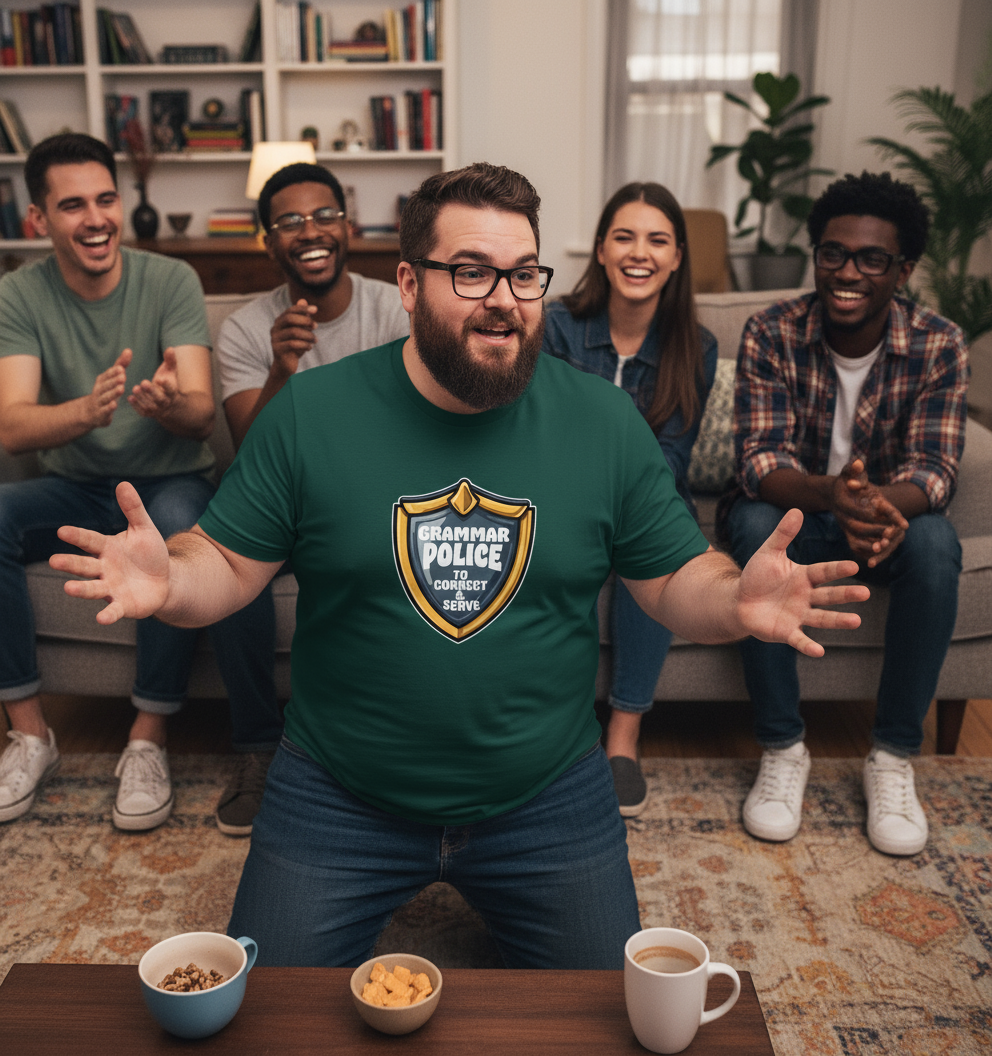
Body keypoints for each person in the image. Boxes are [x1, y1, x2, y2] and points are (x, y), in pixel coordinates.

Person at [51, 163, 867, 969]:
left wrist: (733, 599)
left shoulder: (603, 420)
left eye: (523, 274)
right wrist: (170, 579)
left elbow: (671, 577)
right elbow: (224, 561)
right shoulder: (312, 412)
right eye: (471, 272)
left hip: (547, 793)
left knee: (605, 1023)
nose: (503, 298)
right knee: (264, 1015)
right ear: (408, 284)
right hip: (337, 792)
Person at [0, 132, 271, 831]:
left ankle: (146, 740)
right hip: (76, 487)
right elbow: (11, 425)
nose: (95, 219)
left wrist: (166, 405)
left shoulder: (170, 279)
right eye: (72, 205)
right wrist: (85, 413)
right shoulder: (19, 294)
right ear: (39, 222)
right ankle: (32, 733)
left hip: (169, 481)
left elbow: (202, 412)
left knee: (179, 535)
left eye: (105, 199)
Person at [721, 171, 969, 857]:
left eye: (871, 258)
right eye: (833, 253)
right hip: (803, 514)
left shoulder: (938, 343)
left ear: (903, 269)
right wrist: (835, 495)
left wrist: (876, 506)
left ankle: (891, 756)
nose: (847, 271)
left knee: (936, 545)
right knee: (747, 526)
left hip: (888, 523)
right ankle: (783, 748)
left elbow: (935, 468)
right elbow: (759, 461)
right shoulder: (771, 329)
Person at [210, 162, 409, 836]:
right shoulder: (244, 329)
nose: (310, 231)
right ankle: (259, 749)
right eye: (289, 222)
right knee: (229, 567)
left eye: (323, 215)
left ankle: (386, 744)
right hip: (284, 508)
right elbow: (249, 456)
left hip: (374, 503)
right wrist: (281, 370)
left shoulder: (394, 309)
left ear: (348, 226)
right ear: (269, 242)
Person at [543, 182, 717, 816]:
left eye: (657, 240)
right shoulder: (556, 326)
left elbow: (673, 458)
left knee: (656, 550)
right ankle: (563, 732)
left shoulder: (696, 346)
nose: (639, 252)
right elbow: (539, 438)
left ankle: (623, 735)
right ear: (600, 248)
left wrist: (617, 498)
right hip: (562, 497)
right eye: (624, 236)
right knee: (565, 547)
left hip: (647, 499)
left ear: (675, 259)